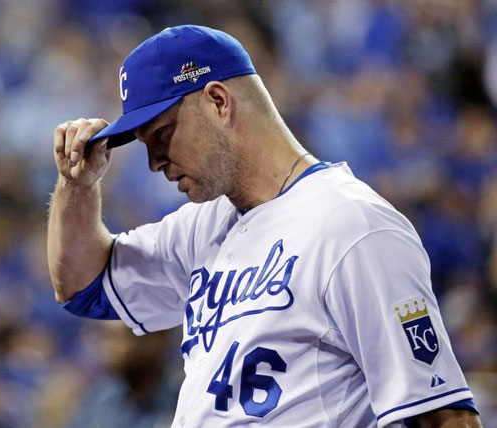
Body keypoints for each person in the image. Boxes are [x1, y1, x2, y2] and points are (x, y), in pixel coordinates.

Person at [47, 25, 483, 427]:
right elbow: (82, 286)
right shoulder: (202, 226)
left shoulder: (353, 226)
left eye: (161, 135)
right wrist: (77, 186)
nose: (154, 162)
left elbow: (443, 416)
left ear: (218, 101)